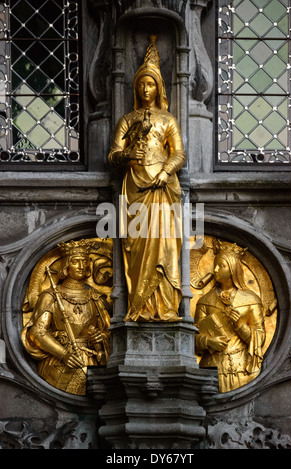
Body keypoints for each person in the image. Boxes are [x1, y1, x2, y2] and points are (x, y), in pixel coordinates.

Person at [108, 35, 185, 322]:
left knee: (165, 244)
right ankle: (139, 306)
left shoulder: (168, 120)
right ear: (136, 87)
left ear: (159, 87)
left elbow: (179, 154)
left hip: (163, 189)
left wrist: (165, 172)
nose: (146, 88)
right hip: (135, 188)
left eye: (151, 83)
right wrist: (128, 153)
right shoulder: (127, 120)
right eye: (141, 83)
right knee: (137, 247)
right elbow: (112, 155)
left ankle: (165, 307)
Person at [21, 240, 111, 396]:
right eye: (76, 262)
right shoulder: (50, 296)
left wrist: (100, 338)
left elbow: (111, 330)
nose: (81, 266)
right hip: (61, 361)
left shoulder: (96, 297)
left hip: (94, 359)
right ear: (66, 266)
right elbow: (37, 332)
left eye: (84, 261)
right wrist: (63, 354)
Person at [194, 240, 266, 393]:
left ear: (233, 269)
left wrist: (240, 326)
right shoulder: (205, 301)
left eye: (221, 265)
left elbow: (260, 336)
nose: (215, 269)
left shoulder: (251, 300)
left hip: (242, 368)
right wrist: (208, 341)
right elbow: (193, 337)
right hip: (211, 369)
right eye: (215, 265)